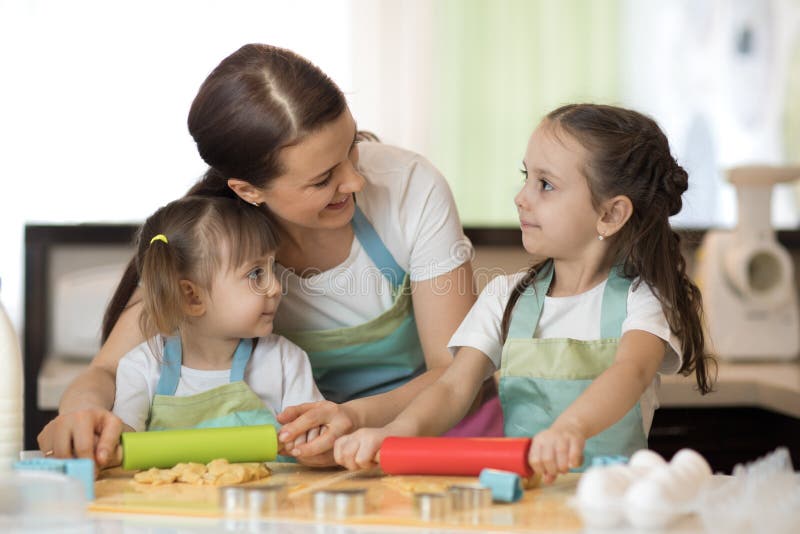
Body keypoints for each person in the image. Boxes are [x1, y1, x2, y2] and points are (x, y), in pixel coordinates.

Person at [38, 44, 497, 466]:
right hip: (301, 460)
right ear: (248, 190)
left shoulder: (410, 188)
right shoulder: (214, 238)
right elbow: (107, 369)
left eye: (352, 146)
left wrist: (352, 418)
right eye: (322, 180)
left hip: (426, 440)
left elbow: (455, 370)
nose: (356, 181)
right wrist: (81, 415)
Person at [332, 104, 716, 482]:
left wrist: (571, 429)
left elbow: (630, 372)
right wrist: (393, 432)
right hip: (524, 499)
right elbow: (452, 388)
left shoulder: (643, 300)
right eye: (526, 176)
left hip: (611, 502)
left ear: (611, 214)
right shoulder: (506, 296)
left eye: (545, 184)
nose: (521, 196)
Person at [109, 196, 322, 452]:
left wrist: (313, 441)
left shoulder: (285, 361)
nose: (276, 287)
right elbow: (123, 447)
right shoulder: (141, 367)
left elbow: (312, 442)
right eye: (255, 274)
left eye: (272, 268)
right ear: (192, 296)